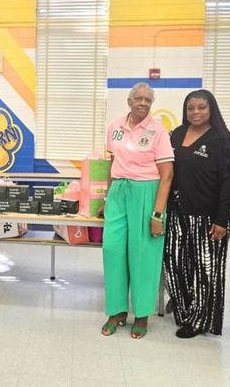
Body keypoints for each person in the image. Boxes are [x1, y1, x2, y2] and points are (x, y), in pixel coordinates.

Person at [101, 82, 174, 338]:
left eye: (148, 100)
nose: (143, 103)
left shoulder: (158, 131)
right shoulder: (114, 128)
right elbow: (112, 164)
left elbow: (167, 176)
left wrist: (157, 214)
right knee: (113, 249)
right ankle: (117, 310)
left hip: (146, 192)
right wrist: (108, 197)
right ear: (129, 101)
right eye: (139, 99)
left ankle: (141, 315)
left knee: (142, 255)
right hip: (119, 191)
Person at [164, 89, 230, 339]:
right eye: (190, 108)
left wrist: (222, 219)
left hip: (207, 215)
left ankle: (200, 319)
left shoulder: (222, 139)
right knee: (173, 263)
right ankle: (184, 308)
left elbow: (228, 181)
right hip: (176, 212)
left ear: (211, 109)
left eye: (201, 107)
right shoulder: (177, 134)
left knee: (205, 269)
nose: (195, 112)